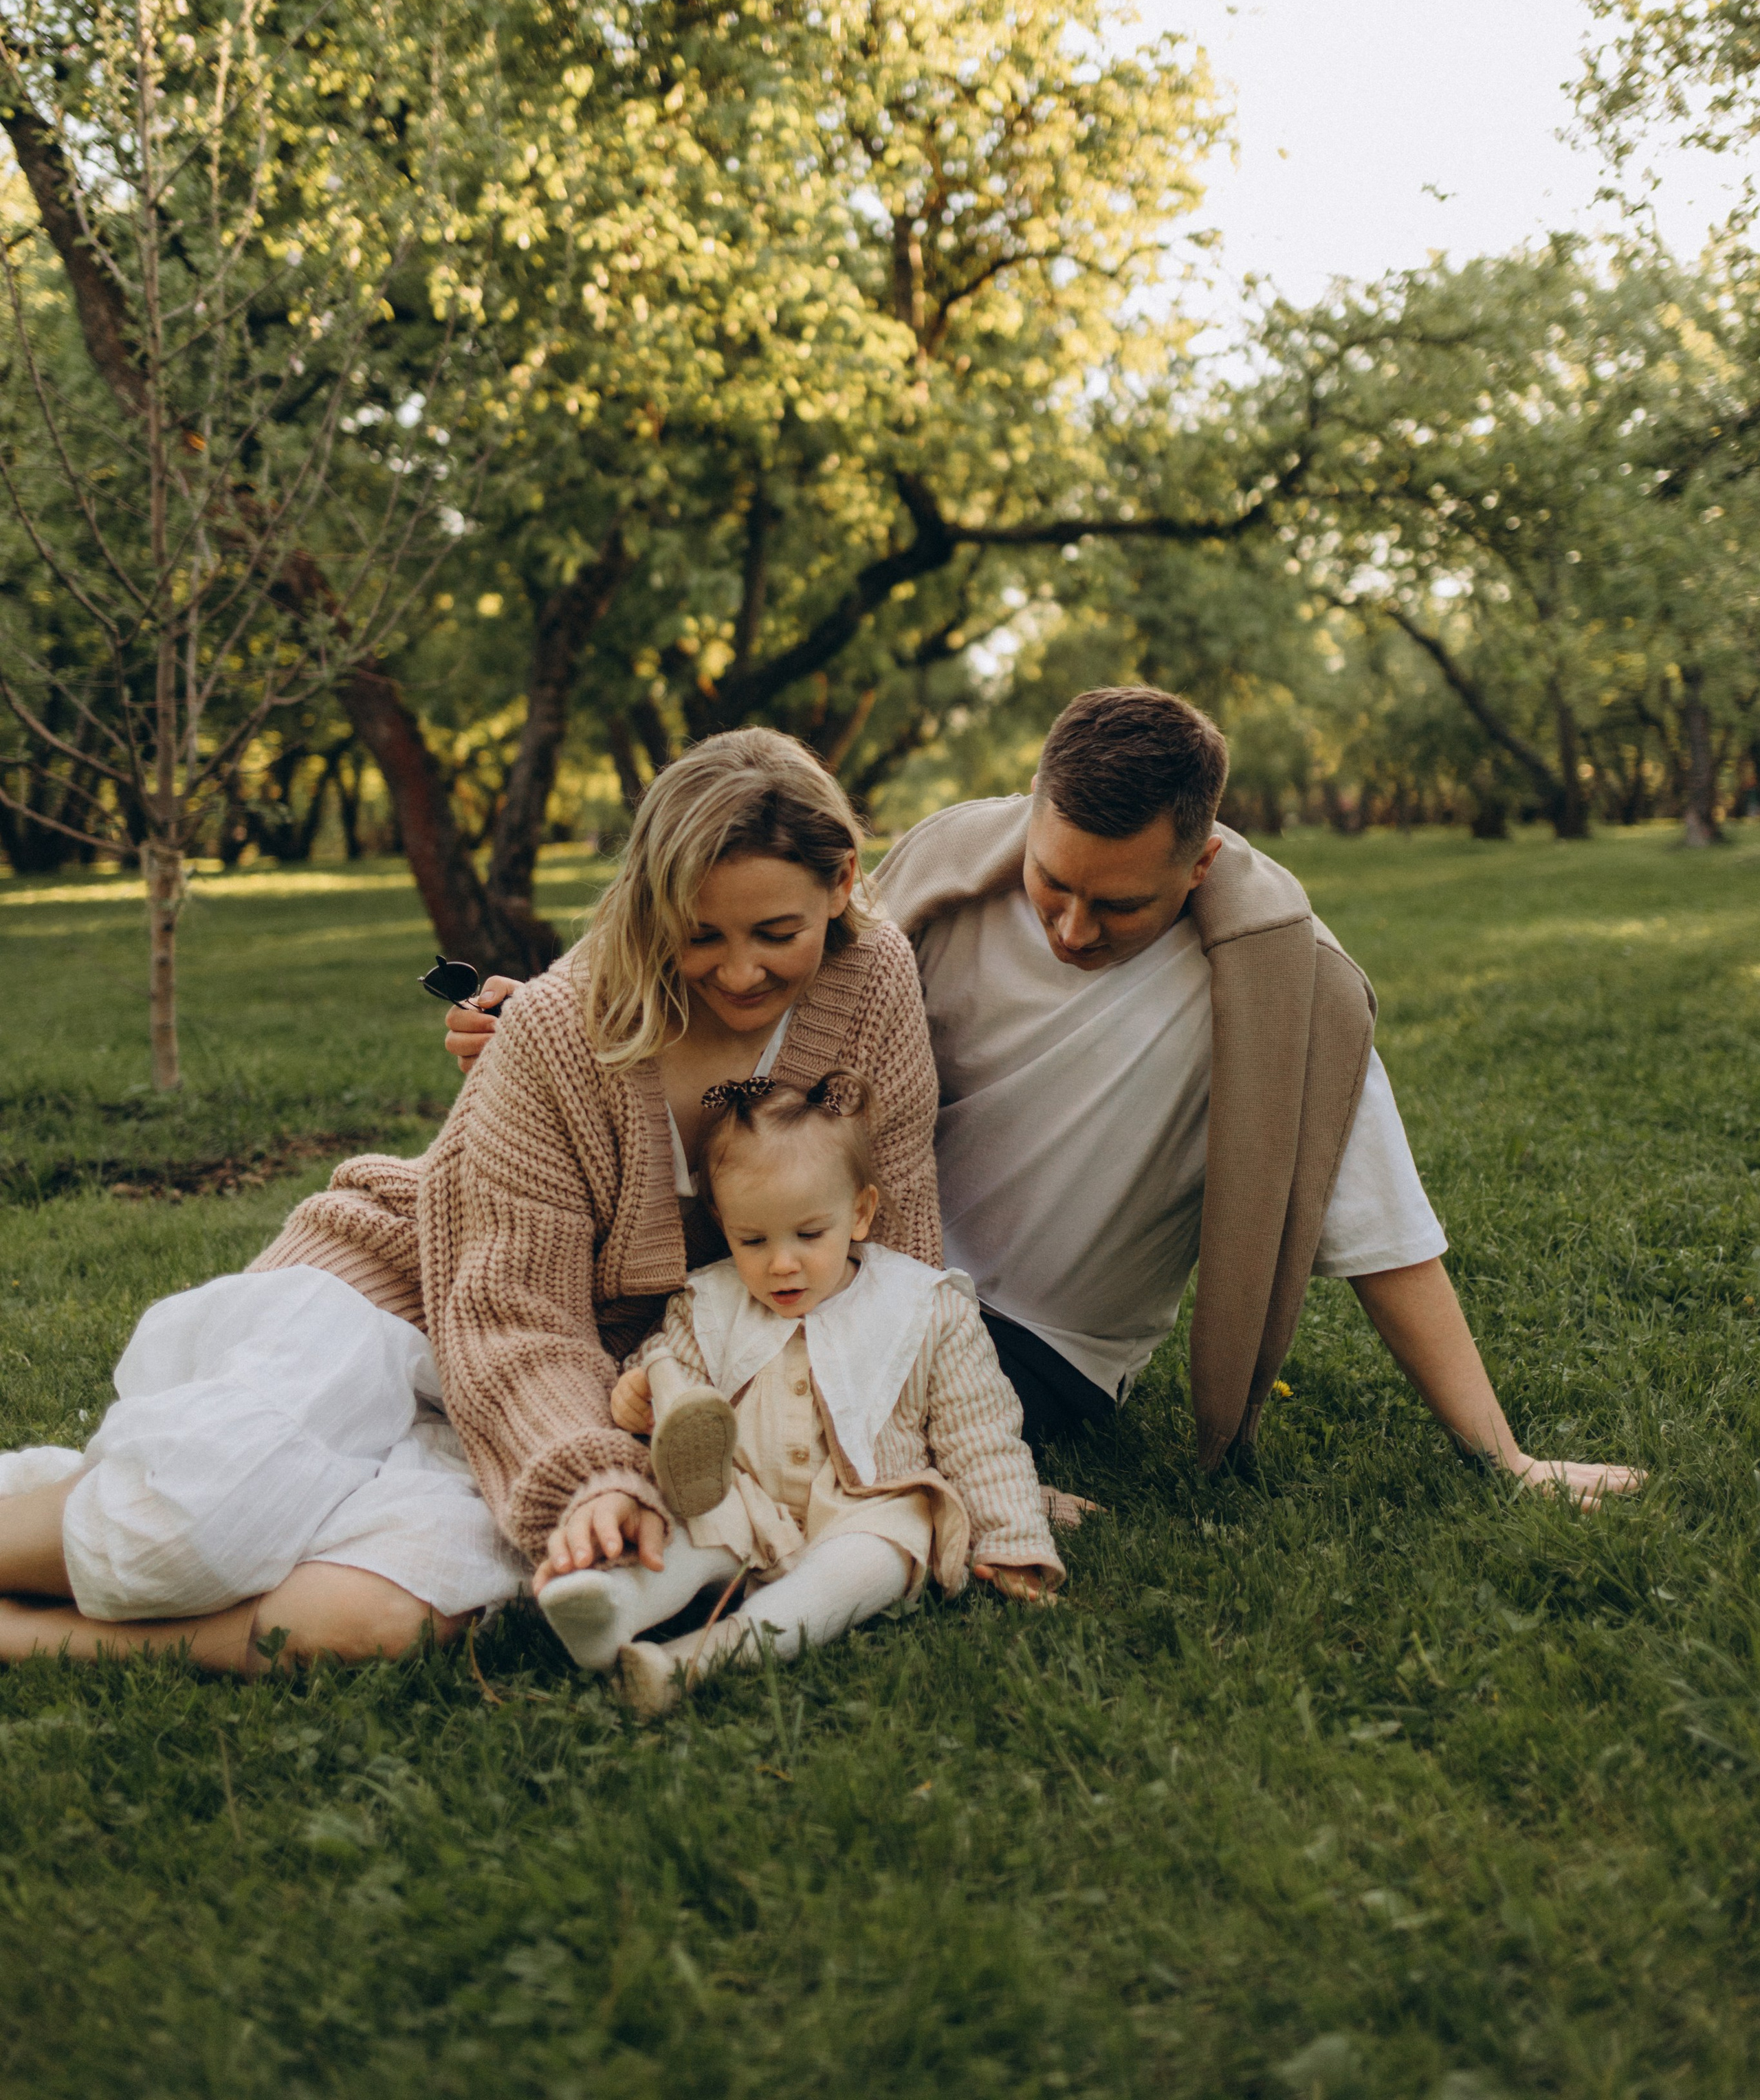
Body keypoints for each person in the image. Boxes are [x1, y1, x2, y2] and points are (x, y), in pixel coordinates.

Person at [452, 689, 1642, 1507]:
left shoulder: (1287, 994)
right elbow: (752, 1016)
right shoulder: (942, 891)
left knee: (740, 1419)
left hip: (1036, 1343)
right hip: (836, 1261)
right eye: (1052, 883)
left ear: (1202, 859)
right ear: (1029, 817)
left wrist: (1506, 1456)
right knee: (559, 1333)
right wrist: (560, 1021)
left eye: (1118, 906)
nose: (1071, 927)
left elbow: (1387, 1238)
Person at [0, 731, 941, 1670]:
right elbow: (513, 1314)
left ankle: (30, 1635)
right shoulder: (556, 1028)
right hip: (397, 1297)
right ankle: (110, 1493)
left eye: (776, 934)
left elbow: (890, 1243)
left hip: (581, 1380)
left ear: (842, 879)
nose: (740, 972)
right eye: (700, 936)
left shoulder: (874, 981)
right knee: (191, 1531)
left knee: (378, 1621)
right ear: (654, 909)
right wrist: (590, 1479)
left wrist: (932, 1460)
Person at [540, 1068, 1059, 1714]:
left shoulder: (924, 1308)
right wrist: (639, 1393)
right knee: (687, 1522)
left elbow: (979, 1437)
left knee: (881, 1557)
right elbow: (668, 1371)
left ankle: (705, 1655)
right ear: (723, 1224)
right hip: (745, 1495)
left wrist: (1014, 1538)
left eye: (809, 1235)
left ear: (860, 1213)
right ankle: (613, 1610)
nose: (781, 1263)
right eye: (752, 1240)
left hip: (864, 1501)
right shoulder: (710, 1299)